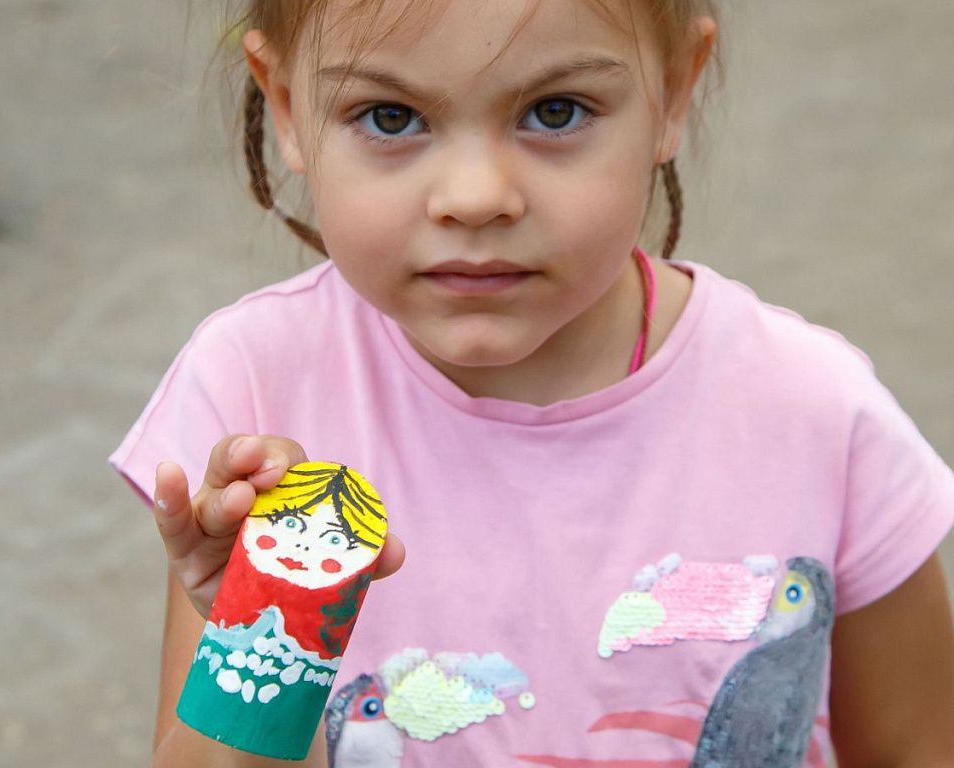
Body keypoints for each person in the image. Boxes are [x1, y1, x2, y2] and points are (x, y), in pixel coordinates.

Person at [108, 1, 954, 766]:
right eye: (390, 116)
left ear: (672, 92)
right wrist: (262, 650)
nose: (476, 198)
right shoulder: (256, 397)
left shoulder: (813, 410)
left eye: (556, 111)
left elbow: (917, 746)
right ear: (289, 107)